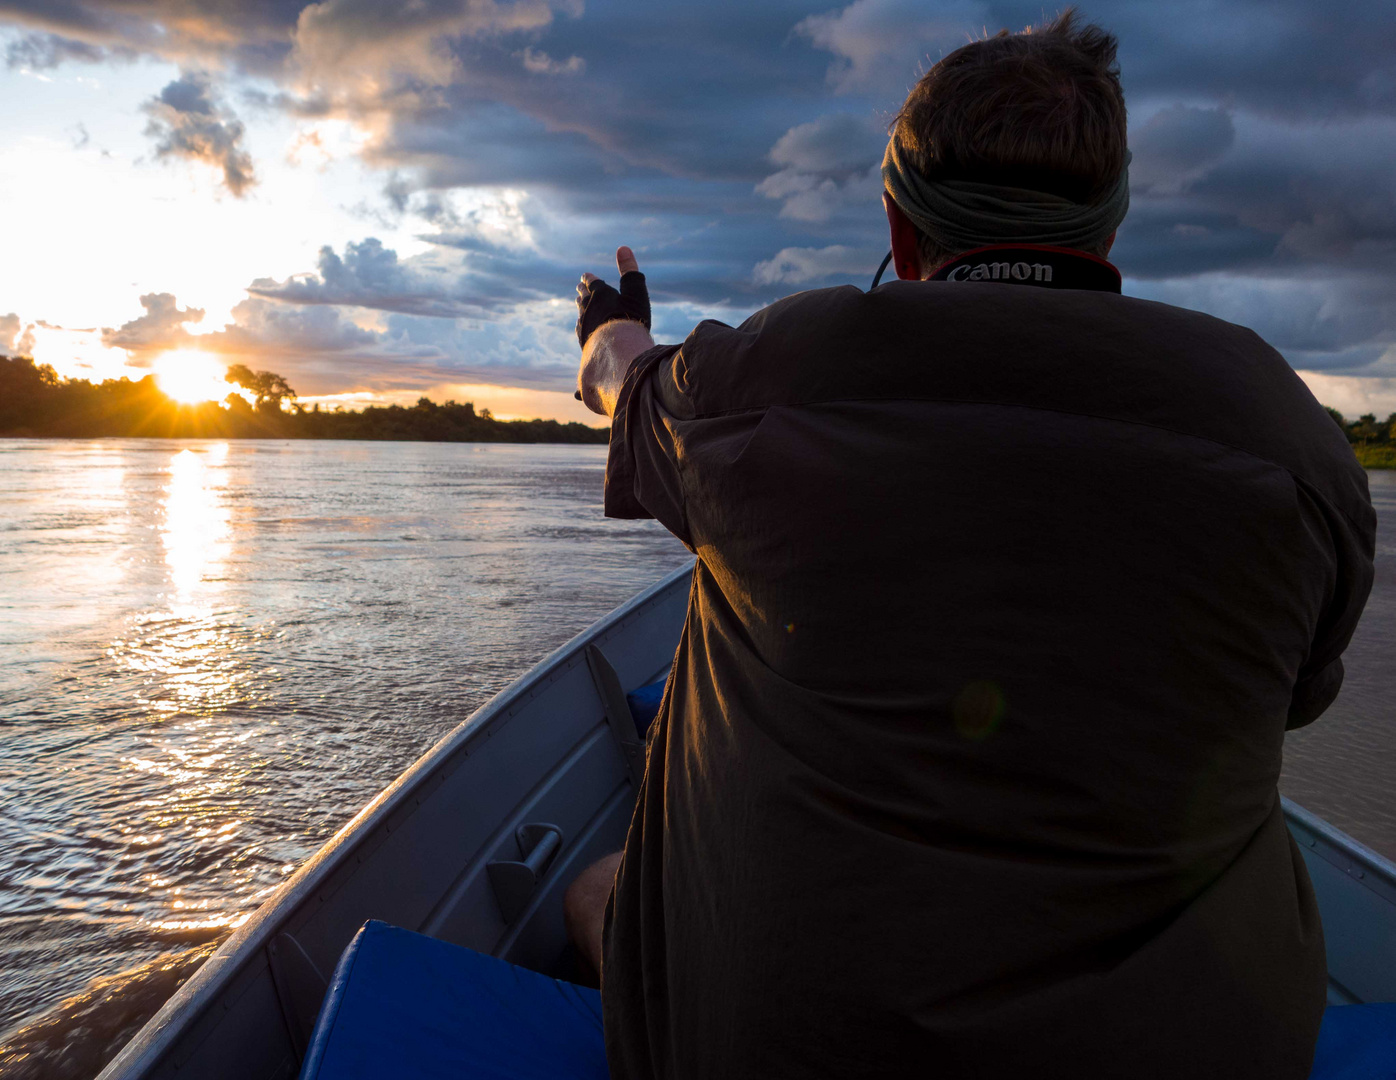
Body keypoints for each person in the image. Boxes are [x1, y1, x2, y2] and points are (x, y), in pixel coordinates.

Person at [562, 11, 1376, 1080]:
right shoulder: (1289, 431)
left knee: (592, 888)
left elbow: (619, 381)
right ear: (1108, 232)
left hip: (801, 1047)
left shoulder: (762, 379)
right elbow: (1299, 695)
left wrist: (609, 329)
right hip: (1187, 1046)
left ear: (900, 234)